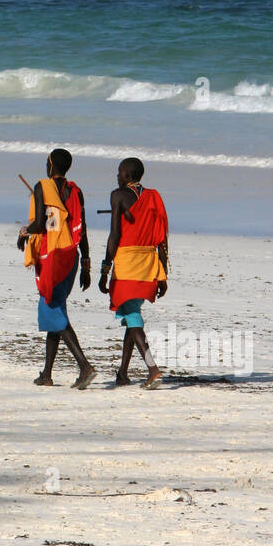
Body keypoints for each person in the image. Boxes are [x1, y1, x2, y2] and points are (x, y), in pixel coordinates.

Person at [18, 148, 96, 389]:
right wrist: (86, 264)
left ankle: (84, 366)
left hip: (52, 256)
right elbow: (79, 226)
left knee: (52, 310)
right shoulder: (76, 190)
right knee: (56, 308)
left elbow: (42, 225)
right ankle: (47, 374)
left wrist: (24, 232)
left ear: (51, 164)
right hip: (71, 256)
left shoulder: (42, 186)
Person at [98, 157, 169, 389]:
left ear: (127, 175)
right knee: (132, 314)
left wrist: (105, 268)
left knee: (132, 316)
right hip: (149, 263)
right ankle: (123, 373)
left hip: (128, 262)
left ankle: (152, 369)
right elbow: (162, 237)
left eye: (119, 173)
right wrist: (163, 272)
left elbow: (114, 235)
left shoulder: (117, 196)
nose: (116, 177)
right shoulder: (154, 196)